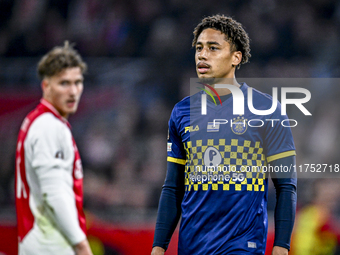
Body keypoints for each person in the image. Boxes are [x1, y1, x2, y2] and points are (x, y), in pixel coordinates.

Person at [151, 15, 297, 255]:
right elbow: (173, 187)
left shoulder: (267, 110)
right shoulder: (182, 112)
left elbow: (286, 186)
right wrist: (159, 246)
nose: (202, 54)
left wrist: (281, 246)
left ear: (236, 57)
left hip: (242, 246)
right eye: (199, 48)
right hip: (192, 247)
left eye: (213, 48)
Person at [15, 41, 93, 255]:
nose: (73, 91)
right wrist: (82, 245)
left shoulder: (36, 121)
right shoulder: (49, 127)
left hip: (39, 241)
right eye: (64, 83)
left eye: (78, 82)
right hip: (50, 244)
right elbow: (55, 192)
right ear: (46, 85)